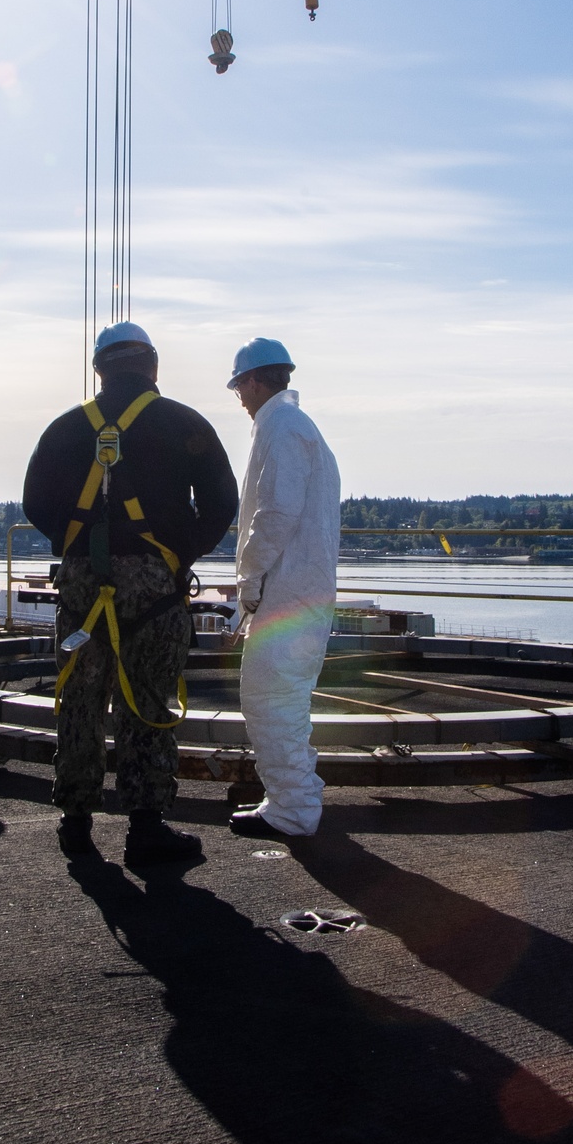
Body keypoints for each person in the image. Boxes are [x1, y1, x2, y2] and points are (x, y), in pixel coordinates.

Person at [23, 321, 238, 865]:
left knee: (80, 695)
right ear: (154, 366)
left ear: (99, 370)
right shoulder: (184, 423)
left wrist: (72, 541)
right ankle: (145, 827)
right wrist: (179, 552)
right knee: (145, 698)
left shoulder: (65, 428)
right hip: (154, 587)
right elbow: (221, 502)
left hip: (79, 584)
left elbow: (34, 501)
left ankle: (75, 819)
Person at [225, 337, 340, 843]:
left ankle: (293, 811)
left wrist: (248, 582)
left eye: (239, 386)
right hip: (297, 591)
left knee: (272, 699)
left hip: (286, 593)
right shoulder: (292, 426)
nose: (239, 397)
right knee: (283, 701)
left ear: (253, 380)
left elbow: (274, 514)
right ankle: (294, 798)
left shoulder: (283, 428)